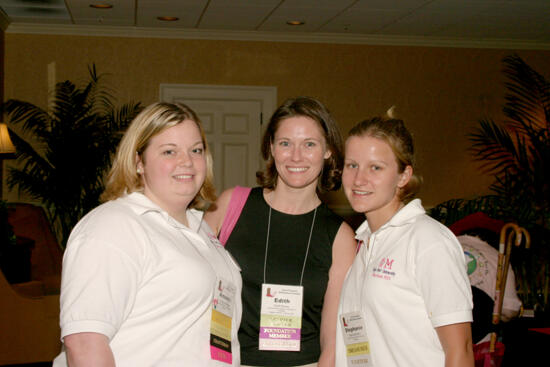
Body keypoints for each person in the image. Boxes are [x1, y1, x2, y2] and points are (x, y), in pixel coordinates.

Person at [52, 102, 242, 366]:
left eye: (195, 150)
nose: (186, 161)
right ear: (138, 162)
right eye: (169, 151)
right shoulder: (114, 226)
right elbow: (84, 343)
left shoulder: (201, 229)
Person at [205, 96, 357, 367]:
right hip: (229, 362)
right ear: (272, 148)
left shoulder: (340, 236)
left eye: (309, 144)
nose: (296, 156)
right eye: (286, 143)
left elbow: (331, 337)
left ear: (328, 150)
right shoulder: (231, 205)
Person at [335, 115, 474, 367]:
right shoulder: (364, 244)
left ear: (403, 176)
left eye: (375, 167)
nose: (358, 179)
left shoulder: (429, 241)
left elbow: (460, 352)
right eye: (352, 165)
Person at [458, 233, 522, 343]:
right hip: (478, 344)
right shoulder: (499, 258)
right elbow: (509, 311)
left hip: (434, 339)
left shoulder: (440, 248)